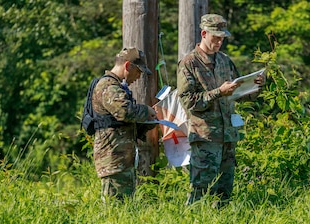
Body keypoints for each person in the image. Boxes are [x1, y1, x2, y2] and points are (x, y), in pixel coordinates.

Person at [177, 14, 265, 207]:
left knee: (224, 189)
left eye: (222, 38)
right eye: (215, 37)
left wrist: (256, 86)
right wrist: (218, 92)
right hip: (205, 136)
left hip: (228, 135)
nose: (219, 42)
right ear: (204, 34)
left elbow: (239, 92)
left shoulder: (225, 61)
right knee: (201, 188)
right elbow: (188, 102)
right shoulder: (189, 63)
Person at [92, 47, 157, 201]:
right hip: (113, 161)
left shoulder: (118, 87)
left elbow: (124, 122)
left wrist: (149, 122)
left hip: (122, 161)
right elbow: (124, 112)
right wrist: (145, 110)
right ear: (128, 66)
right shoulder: (108, 86)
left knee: (124, 210)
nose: (139, 76)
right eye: (138, 71)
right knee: (113, 212)